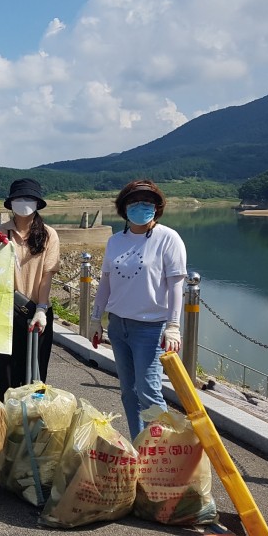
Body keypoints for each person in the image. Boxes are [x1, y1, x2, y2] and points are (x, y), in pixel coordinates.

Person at [89, 179, 186, 441]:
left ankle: (161, 453)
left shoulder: (168, 238)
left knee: (149, 391)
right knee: (128, 391)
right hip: (119, 326)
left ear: (157, 207)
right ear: (124, 207)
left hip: (150, 329)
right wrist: (96, 319)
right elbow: (106, 282)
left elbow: (176, 285)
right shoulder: (115, 241)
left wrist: (173, 326)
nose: (141, 207)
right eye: (135, 202)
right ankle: (137, 443)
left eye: (148, 202)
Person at [0, 178, 61, 399]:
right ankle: (9, 427)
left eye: (29, 198)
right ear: (10, 203)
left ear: (38, 203)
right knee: (7, 375)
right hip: (5, 313)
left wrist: (41, 308)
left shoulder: (49, 234)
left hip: (36, 312)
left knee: (35, 376)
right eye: (18, 198)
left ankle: (32, 427)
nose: (23, 203)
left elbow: (47, 274)